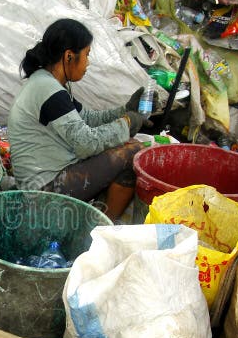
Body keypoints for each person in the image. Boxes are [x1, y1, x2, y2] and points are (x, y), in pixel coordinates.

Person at [8, 18, 151, 220]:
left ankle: (96, 218)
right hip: (43, 191)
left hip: (45, 182)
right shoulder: (47, 89)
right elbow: (87, 144)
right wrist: (126, 123)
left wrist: (125, 111)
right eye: (86, 55)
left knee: (126, 144)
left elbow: (89, 119)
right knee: (133, 152)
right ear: (69, 56)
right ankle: (102, 229)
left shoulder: (49, 84)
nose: (88, 63)